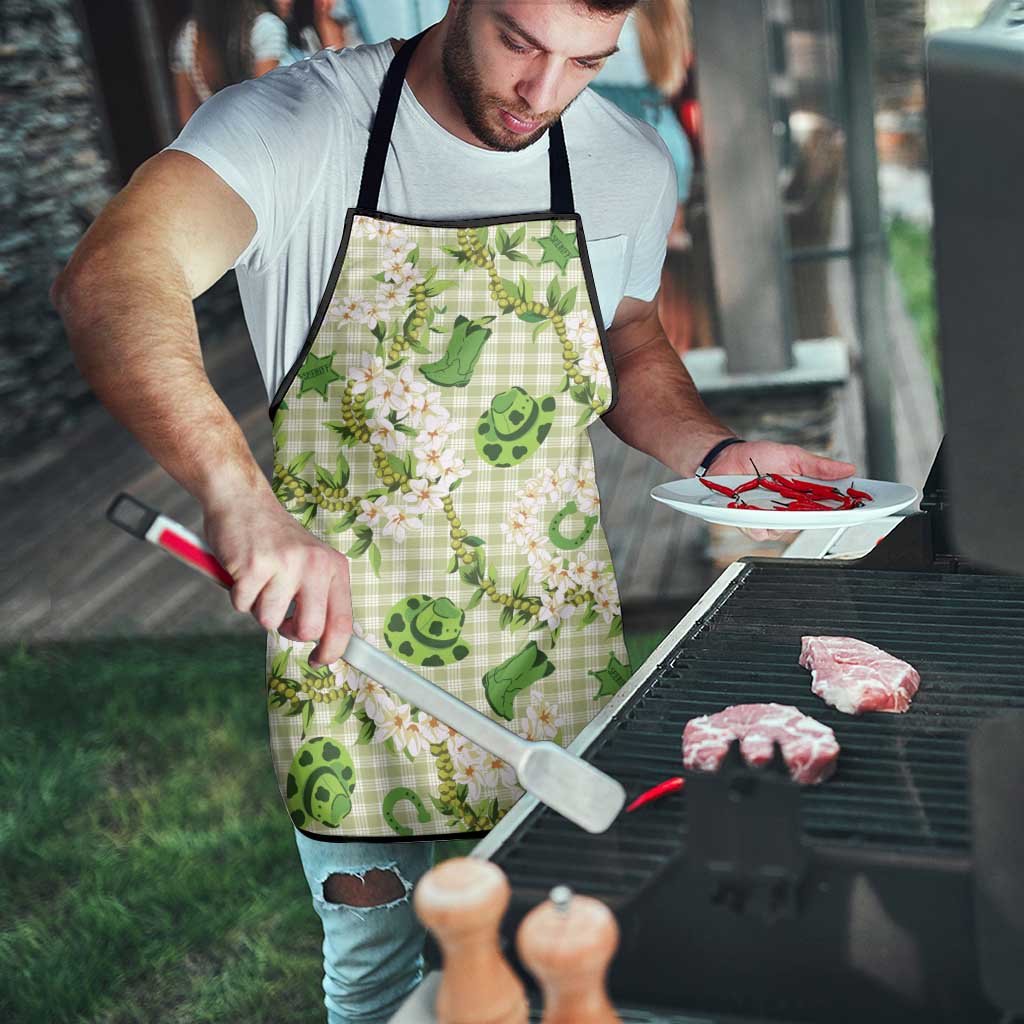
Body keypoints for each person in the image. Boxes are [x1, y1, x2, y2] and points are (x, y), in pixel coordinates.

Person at [53, 2, 855, 1020]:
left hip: (556, 655)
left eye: (585, 62)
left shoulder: (625, 160)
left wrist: (718, 449)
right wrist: (236, 495)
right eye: (521, 42)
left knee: (566, 960)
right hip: (353, 665)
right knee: (381, 981)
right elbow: (113, 275)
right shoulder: (298, 125)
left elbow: (629, 339)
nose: (543, 93)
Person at [169, 0, 289, 127]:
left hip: (215, 140)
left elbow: (187, 120)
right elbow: (266, 107)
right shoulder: (266, 27)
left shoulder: (188, 37)